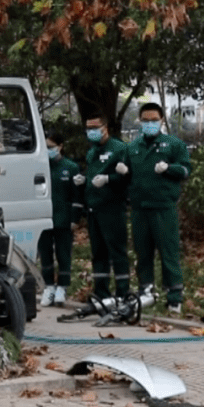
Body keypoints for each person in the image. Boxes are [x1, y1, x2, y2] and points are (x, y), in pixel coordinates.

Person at [117, 103, 192, 314]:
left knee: (168, 253)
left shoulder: (174, 145)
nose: (149, 124)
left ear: (161, 120)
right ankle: (146, 292)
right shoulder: (132, 147)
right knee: (143, 253)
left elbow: (186, 170)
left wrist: (170, 168)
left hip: (163, 208)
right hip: (140, 209)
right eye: (146, 120)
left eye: (153, 120)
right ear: (140, 121)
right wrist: (123, 172)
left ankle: (174, 297)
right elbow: (127, 176)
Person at [76, 113, 131, 301]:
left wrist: (109, 179)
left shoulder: (119, 148)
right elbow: (92, 175)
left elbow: (126, 178)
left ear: (105, 128)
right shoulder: (91, 152)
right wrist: (84, 180)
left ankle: (123, 292)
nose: (91, 132)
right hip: (94, 208)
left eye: (94, 128)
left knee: (117, 251)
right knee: (98, 253)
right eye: (88, 128)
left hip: (112, 208)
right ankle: (101, 293)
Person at [38, 131, 84, 306]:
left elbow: (76, 195)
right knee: (45, 253)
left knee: (63, 254)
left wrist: (75, 218)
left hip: (63, 217)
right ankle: (48, 286)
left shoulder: (70, 167)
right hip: (45, 217)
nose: (48, 151)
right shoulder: (41, 167)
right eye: (46, 147)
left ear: (60, 146)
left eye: (51, 147)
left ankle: (62, 287)